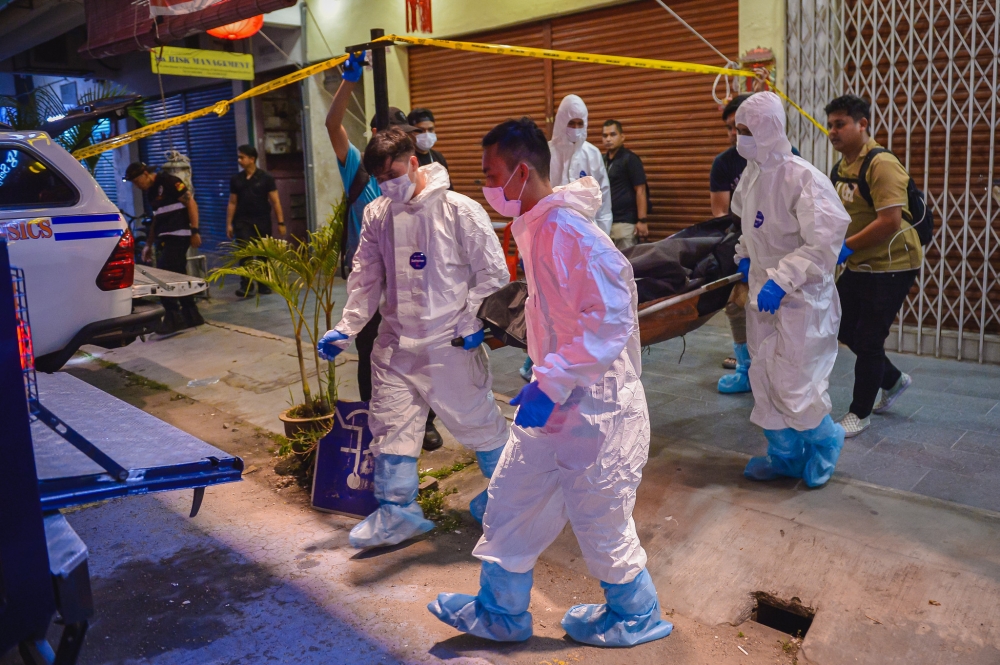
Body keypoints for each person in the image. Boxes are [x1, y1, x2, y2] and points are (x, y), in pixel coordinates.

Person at [429, 118, 673, 647]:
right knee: (513, 497)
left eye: (490, 174)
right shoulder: (539, 227)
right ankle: (502, 610)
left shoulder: (575, 235)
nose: (486, 186)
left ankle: (637, 613)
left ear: (521, 172)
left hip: (598, 410)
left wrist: (555, 380)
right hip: (554, 400)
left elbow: (609, 321)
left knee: (600, 519)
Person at [316, 128, 510, 547]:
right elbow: (365, 277)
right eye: (380, 179)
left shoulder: (460, 210)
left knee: (483, 427)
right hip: (396, 345)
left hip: (450, 345)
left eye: (394, 172)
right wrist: (346, 327)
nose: (389, 184)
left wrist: (472, 321)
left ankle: (510, 501)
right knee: (390, 426)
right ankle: (398, 514)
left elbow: (493, 275)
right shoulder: (377, 214)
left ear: (414, 161)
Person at [731, 92, 852, 489]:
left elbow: (823, 244)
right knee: (764, 379)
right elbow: (750, 230)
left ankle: (827, 441)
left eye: (748, 130)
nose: (742, 138)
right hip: (762, 296)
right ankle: (783, 456)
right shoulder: (751, 175)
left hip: (802, 299)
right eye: (738, 130)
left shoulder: (804, 178)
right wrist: (746, 257)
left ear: (770, 129)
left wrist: (780, 280)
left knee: (794, 384)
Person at [326, 52, 443, 451]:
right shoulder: (359, 168)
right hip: (375, 285)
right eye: (396, 130)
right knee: (372, 351)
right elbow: (332, 124)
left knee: (421, 354)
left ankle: (424, 422)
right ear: (377, 132)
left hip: (416, 279)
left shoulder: (418, 171)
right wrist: (349, 82)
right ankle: (373, 420)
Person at [826, 94, 922, 437]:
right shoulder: (842, 167)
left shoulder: (881, 164)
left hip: (891, 264)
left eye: (841, 124)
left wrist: (845, 248)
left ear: (862, 124)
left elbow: (890, 221)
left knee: (868, 339)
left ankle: (859, 413)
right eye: (831, 124)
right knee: (837, 326)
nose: (833, 131)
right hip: (859, 262)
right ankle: (893, 379)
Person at [125, 161, 204, 334]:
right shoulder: (151, 193)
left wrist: (195, 231)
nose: (138, 186)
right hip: (165, 237)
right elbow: (156, 220)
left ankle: (173, 316)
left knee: (162, 274)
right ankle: (191, 314)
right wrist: (147, 244)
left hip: (180, 234)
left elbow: (191, 203)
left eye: (138, 182)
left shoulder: (169, 182)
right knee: (178, 275)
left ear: (146, 174)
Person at [226, 144, 285, 297]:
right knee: (245, 253)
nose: (239, 160)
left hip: (262, 220)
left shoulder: (266, 178)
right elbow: (232, 202)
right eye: (239, 157)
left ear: (252, 159)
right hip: (242, 221)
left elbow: (275, 201)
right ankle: (246, 285)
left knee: (262, 253)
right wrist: (229, 223)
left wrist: (281, 222)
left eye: (242, 157)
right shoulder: (236, 179)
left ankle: (263, 284)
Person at [601, 119, 649, 250]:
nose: (608, 139)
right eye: (605, 136)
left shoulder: (630, 159)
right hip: (606, 223)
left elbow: (641, 190)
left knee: (627, 264)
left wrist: (642, 220)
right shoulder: (602, 160)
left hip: (625, 223)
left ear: (622, 137)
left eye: (613, 134)